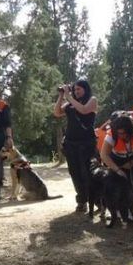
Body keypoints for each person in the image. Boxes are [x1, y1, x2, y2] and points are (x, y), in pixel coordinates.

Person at [53, 78, 98, 212]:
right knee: (75, 173)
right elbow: (57, 113)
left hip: (86, 143)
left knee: (88, 172)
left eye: (79, 89)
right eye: (75, 89)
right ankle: (82, 201)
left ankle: (96, 200)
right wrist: (61, 96)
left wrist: (69, 97)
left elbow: (84, 110)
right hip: (71, 144)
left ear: (85, 89)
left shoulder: (92, 100)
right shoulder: (70, 103)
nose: (76, 92)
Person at [100, 114, 133, 226]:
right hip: (116, 158)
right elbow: (104, 155)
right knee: (113, 185)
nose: (120, 135)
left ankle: (130, 212)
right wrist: (117, 170)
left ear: (130, 130)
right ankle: (115, 212)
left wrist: (131, 163)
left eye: (123, 133)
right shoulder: (111, 135)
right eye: (118, 133)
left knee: (132, 184)